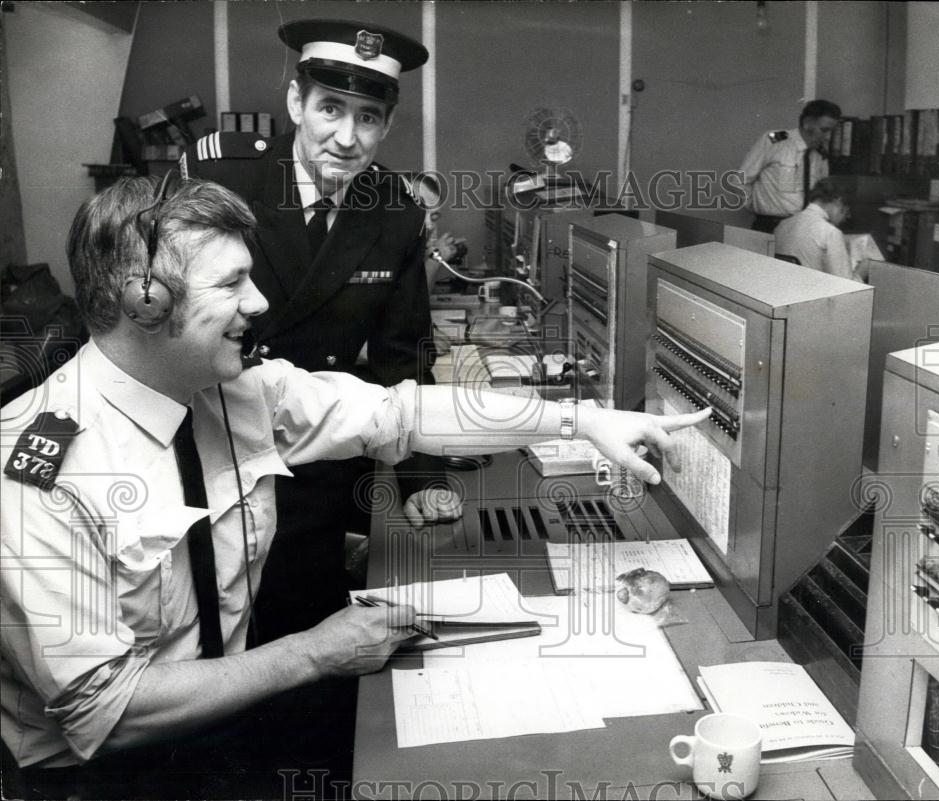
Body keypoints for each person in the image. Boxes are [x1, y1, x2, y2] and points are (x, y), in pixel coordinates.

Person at [0, 176, 710, 798]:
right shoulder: (37, 471)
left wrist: (579, 418)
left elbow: (402, 411)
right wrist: (317, 650)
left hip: (224, 731)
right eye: (230, 283)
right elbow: (106, 711)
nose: (259, 301)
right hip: (102, 781)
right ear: (142, 298)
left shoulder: (231, 391)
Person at [180, 19, 463, 646]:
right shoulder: (226, 182)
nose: (346, 137)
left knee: (309, 643)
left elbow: (404, 351)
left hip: (319, 465)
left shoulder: (395, 209)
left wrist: (420, 475)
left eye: (368, 117)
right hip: (213, 450)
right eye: (330, 108)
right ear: (295, 103)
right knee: (206, 638)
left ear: (387, 126)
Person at [739, 99, 842, 233]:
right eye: (824, 130)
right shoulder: (775, 138)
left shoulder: (821, 155)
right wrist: (757, 208)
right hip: (770, 226)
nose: (828, 137)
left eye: (832, 131)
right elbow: (741, 179)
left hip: (803, 229)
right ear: (807, 123)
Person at [774, 178, 861, 281]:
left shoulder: (782, 225)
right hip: (812, 293)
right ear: (839, 201)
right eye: (847, 212)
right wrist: (864, 268)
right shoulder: (830, 233)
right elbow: (845, 286)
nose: (846, 217)